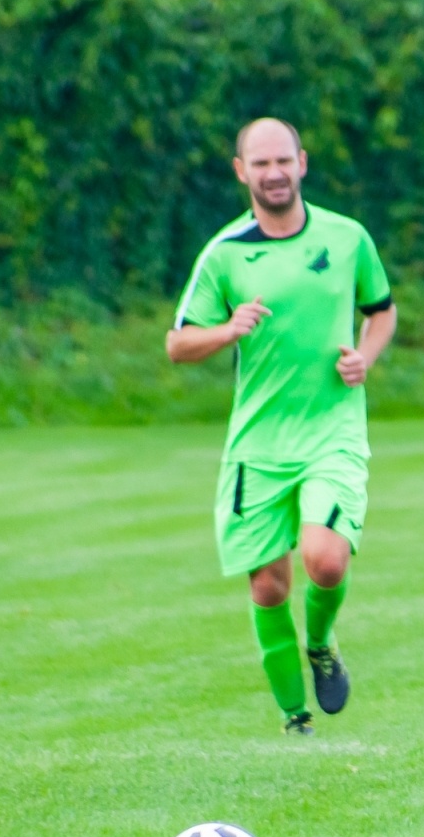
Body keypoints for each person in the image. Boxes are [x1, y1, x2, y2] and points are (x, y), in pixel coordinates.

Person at [165, 118, 397, 736]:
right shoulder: (225, 253)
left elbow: (382, 311)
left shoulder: (347, 238)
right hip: (258, 446)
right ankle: (296, 722)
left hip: (332, 432)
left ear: (302, 162)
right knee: (268, 587)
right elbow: (178, 345)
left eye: (283, 161)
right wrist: (227, 330)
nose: (273, 173)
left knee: (325, 560)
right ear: (242, 171)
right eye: (260, 164)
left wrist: (364, 358)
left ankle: (320, 642)